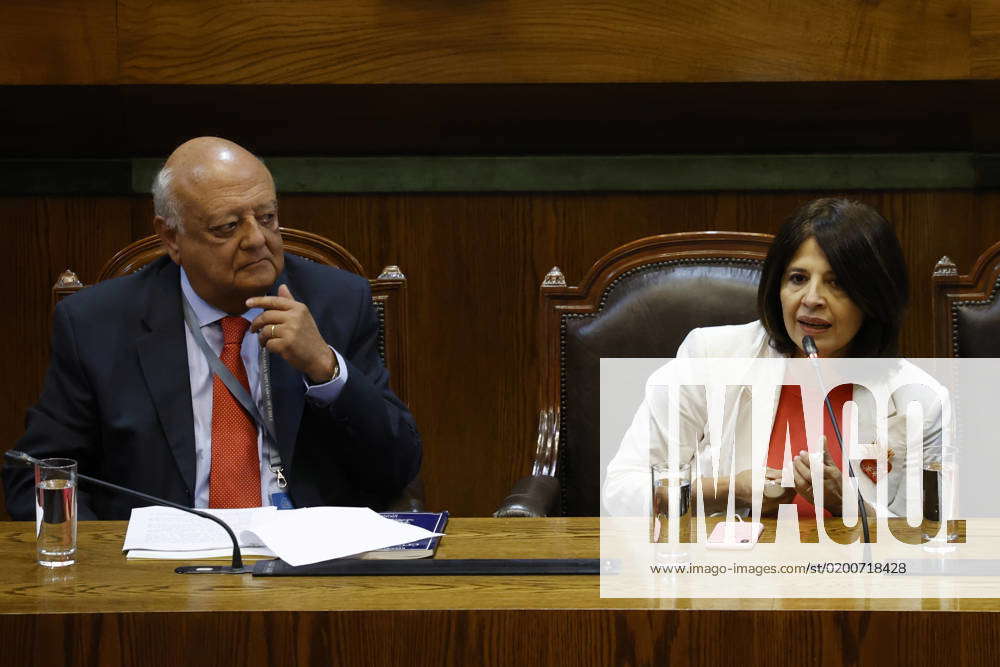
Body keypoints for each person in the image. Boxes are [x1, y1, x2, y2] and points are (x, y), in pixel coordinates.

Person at [3, 137, 421, 519]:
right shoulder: (97, 324)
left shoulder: (337, 302)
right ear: (171, 238)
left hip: (306, 559)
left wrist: (326, 368)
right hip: (158, 569)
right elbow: (37, 476)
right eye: (228, 227)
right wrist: (104, 567)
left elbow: (398, 467)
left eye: (268, 217)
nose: (257, 239)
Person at [603, 198, 946, 519]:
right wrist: (726, 491)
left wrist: (849, 505)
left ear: (875, 298)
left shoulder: (920, 401)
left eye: (837, 283)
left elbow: (929, 538)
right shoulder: (710, 357)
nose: (812, 299)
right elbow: (621, 494)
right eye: (798, 278)